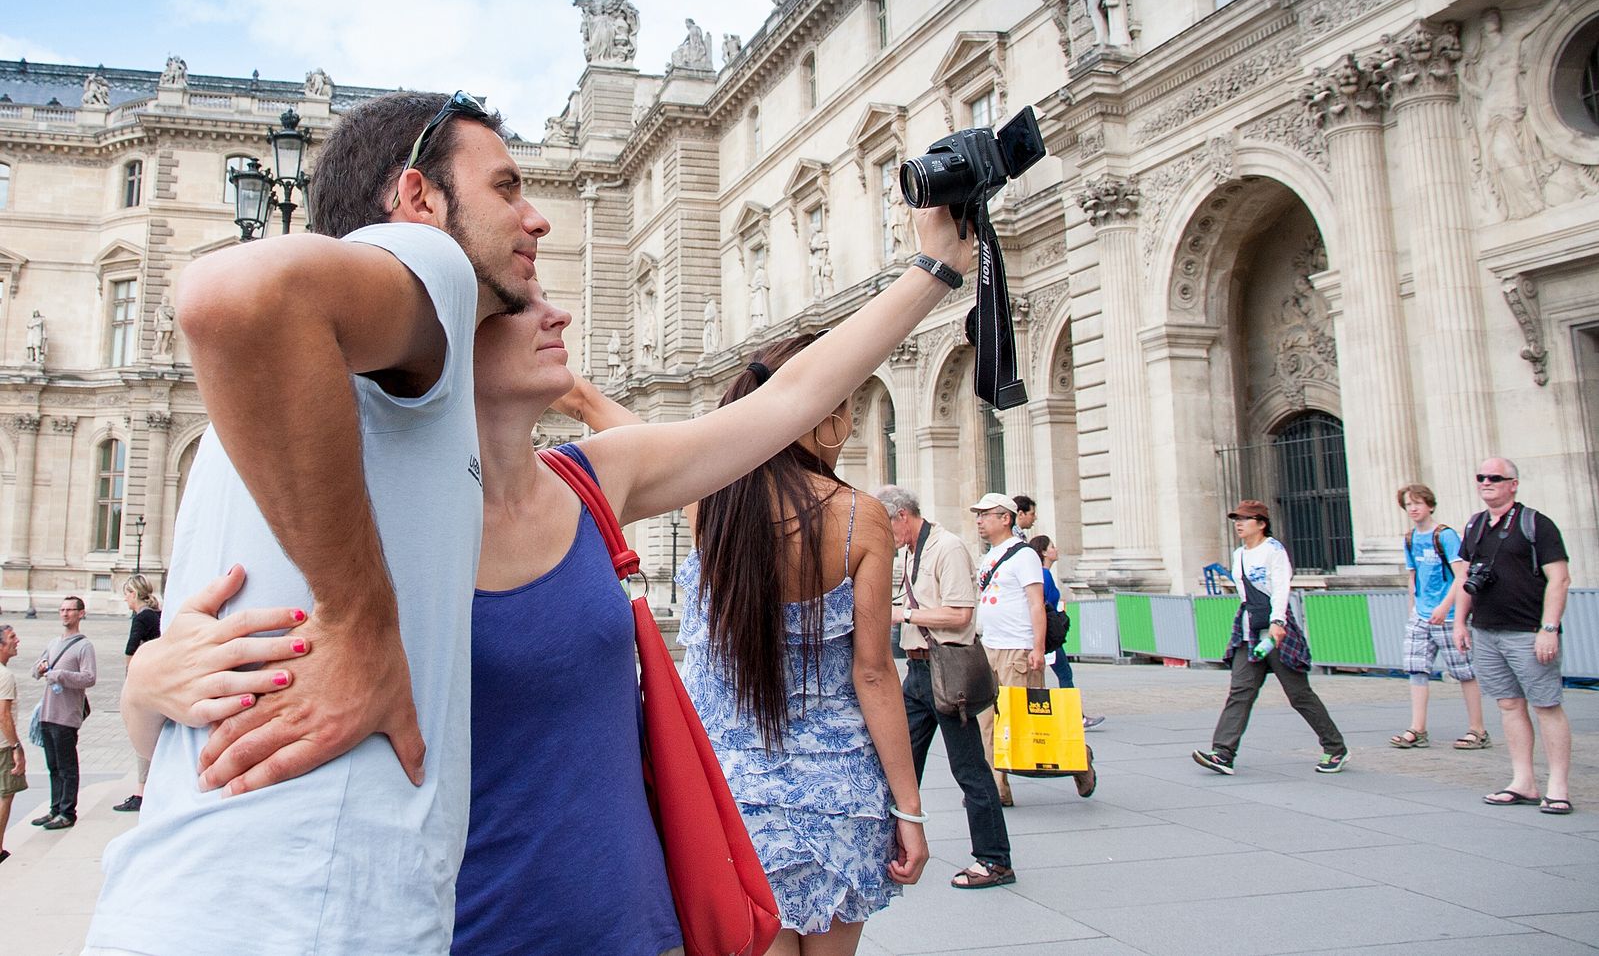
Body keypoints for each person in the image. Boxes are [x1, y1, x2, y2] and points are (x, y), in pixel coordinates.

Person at [117, 196, 974, 953]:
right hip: (467, 924)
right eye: (522, 306)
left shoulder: (593, 481)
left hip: (629, 920)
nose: (558, 316)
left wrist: (935, 267)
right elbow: (212, 737)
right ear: (449, 342)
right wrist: (148, 683)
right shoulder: (365, 531)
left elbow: (784, 401)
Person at [88, 89, 547, 955]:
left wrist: (145, 682)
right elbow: (236, 293)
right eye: (508, 188)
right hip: (311, 912)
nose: (536, 219)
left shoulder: (283, 423)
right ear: (418, 199)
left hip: (183, 901)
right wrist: (361, 619)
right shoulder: (431, 264)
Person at [678, 335, 930, 955]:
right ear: (822, 416)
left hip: (731, 794)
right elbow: (873, 675)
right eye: (843, 405)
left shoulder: (708, 507)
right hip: (838, 791)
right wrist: (910, 810)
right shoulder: (860, 517)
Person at [875, 484, 1015, 891]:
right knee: (898, 765)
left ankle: (994, 859)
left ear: (902, 515)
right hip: (918, 675)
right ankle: (889, 844)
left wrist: (903, 615)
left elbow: (959, 614)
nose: (886, 535)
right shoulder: (910, 550)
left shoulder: (947, 547)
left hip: (948, 673)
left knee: (969, 768)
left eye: (887, 525)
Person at [1453, 458, 1573, 814]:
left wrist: (1548, 628)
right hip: (1487, 631)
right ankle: (1524, 781)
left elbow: (1560, 578)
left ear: (1513, 484)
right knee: (1508, 705)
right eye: (1481, 478)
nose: (1486, 482)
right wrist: (1460, 622)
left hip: (1528, 632)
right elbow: (1466, 579)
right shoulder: (1475, 525)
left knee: (1546, 706)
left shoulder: (1536, 523)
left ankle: (1558, 786)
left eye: (1495, 478)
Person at [1193, 500, 1348, 776]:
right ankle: (1223, 753)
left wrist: (1278, 622)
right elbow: (1244, 594)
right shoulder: (1239, 553)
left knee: (1299, 695)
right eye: (1236, 519)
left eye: (1245, 518)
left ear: (1261, 523)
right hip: (1250, 631)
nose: (1239, 523)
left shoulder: (1274, 550)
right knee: (1240, 692)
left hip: (1276, 631)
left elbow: (1280, 588)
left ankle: (1335, 748)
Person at [1389, 484, 1487, 752]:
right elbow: (1413, 576)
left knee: (1464, 672)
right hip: (1421, 615)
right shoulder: (1409, 539)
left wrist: (1445, 607)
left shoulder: (1445, 536)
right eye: (1408, 504)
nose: (1413, 508)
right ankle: (1417, 728)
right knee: (1416, 669)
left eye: (1418, 503)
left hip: (1448, 615)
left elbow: (1461, 575)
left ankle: (1477, 729)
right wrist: (1413, 608)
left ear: (1430, 505)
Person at [970, 493, 1046, 807]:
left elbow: (1035, 602)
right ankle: (996, 787)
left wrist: (1037, 648)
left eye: (986, 515)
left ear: (1006, 518)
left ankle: (1079, 760)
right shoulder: (988, 556)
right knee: (986, 721)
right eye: (978, 515)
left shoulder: (1023, 555)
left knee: (1027, 721)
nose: (979, 521)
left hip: (1018, 648)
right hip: (990, 646)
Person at [31, 595, 97, 830]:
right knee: (53, 765)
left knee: (67, 766)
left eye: (70, 610)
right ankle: (55, 808)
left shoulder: (84, 646)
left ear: (81, 613)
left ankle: (68, 812)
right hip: (47, 713)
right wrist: (39, 669)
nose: (65, 613)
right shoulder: (53, 643)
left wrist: (60, 675)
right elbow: (36, 670)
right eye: (62, 609)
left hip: (66, 715)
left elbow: (90, 678)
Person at [1029, 534, 1104, 731]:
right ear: (1044, 551)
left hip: (1046, 633)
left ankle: (1068, 716)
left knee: (1053, 675)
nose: (1056, 549)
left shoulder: (1043, 574)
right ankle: (1073, 717)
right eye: (1052, 546)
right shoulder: (1043, 575)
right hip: (1047, 635)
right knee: (1063, 674)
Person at [113, 576, 163, 813]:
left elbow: (131, 649)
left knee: (140, 734)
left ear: (133, 594)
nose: (125, 598)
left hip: (145, 681)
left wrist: (128, 681)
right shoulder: (156, 614)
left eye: (126, 593)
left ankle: (142, 791)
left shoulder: (142, 617)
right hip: (159, 677)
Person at [0, 624, 26, 863]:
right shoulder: (5, 676)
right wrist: (17, 747)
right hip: (2, 747)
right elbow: (4, 715)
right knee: (5, 796)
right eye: (12, 637)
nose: (17, 641)